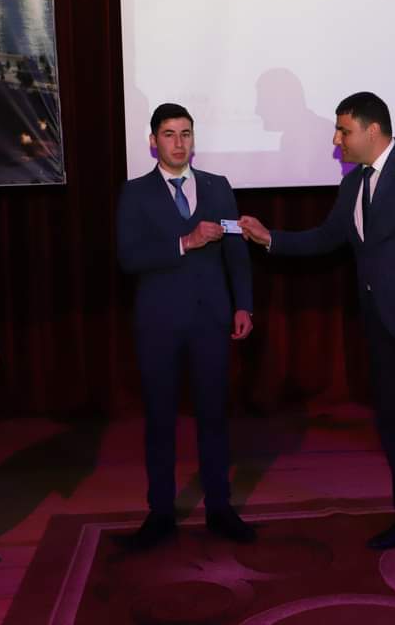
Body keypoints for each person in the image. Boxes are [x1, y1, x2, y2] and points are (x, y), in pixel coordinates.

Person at [239, 92, 395, 565]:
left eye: (344, 131)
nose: (337, 140)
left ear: (372, 130)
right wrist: (270, 238)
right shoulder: (353, 183)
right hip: (380, 325)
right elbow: (327, 237)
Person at [115, 103, 256, 550]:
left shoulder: (218, 186)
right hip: (159, 323)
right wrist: (185, 241)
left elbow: (236, 251)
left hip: (211, 319)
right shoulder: (134, 192)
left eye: (186, 134)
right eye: (170, 134)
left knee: (214, 416)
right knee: (160, 420)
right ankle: (160, 512)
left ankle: (220, 507)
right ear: (153, 141)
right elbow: (128, 258)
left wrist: (244, 305)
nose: (179, 143)